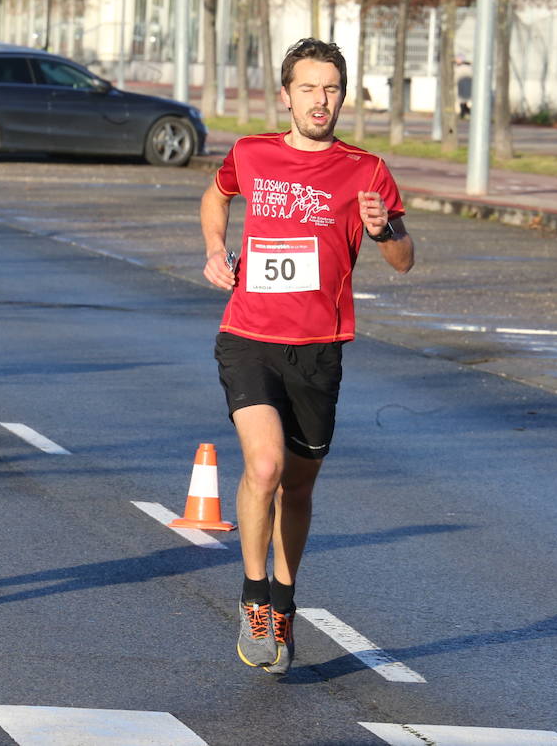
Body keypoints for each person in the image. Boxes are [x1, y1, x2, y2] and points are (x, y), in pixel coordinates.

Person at [200, 37, 414, 675]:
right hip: (248, 337)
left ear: (342, 96)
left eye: (332, 90)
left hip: (319, 351)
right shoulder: (252, 152)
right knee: (262, 467)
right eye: (309, 89)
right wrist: (215, 247)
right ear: (286, 94)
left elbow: (404, 261)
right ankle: (254, 597)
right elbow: (218, 193)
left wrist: (384, 231)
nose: (321, 102)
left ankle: (287, 602)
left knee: (297, 486)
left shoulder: (365, 170)